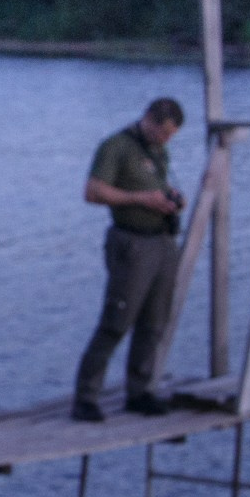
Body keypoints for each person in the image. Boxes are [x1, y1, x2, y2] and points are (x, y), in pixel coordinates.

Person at [70, 97, 185, 423]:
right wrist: (140, 199)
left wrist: (170, 200)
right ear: (148, 118)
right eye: (161, 133)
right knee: (116, 321)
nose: (164, 141)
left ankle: (139, 391)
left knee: (155, 321)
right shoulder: (116, 147)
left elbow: (155, 185)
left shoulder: (158, 150)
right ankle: (86, 397)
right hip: (131, 243)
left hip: (162, 242)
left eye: (170, 137)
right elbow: (92, 193)